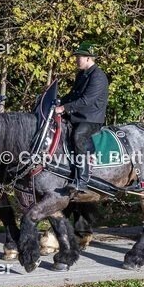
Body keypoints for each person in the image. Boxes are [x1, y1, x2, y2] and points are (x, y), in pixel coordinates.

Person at [56, 41, 110, 194]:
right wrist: (59, 101)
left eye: (79, 57)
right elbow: (73, 95)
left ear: (88, 58)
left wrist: (63, 108)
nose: (76, 60)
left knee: (79, 136)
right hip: (78, 116)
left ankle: (82, 180)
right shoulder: (81, 75)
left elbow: (86, 100)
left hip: (91, 119)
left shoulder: (98, 77)